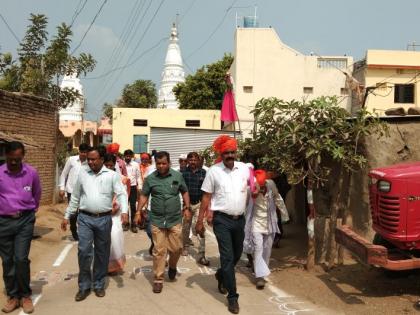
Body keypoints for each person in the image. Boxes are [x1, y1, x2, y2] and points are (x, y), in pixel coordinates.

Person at [61, 146, 128, 302]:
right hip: (85, 219)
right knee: (84, 251)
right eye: (88, 159)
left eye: (93, 159)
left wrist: (124, 212)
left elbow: (121, 194)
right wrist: (67, 215)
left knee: (102, 253)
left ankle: (98, 284)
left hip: (104, 219)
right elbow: (75, 198)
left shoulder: (112, 176)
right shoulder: (82, 174)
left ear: (102, 160)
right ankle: (84, 286)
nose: (90, 162)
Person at [196, 135, 250, 314]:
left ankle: (221, 275)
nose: (230, 155)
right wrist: (200, 220)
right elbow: (206, 196)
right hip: (222, 220)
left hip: (239, 219)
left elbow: (252, 189)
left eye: (232, 152)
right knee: (227, 257)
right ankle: (233, 297)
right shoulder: (214, 171)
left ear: (236, 152)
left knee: (236, 255)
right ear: (221, 153)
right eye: (226, 152)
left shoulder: (244, 169)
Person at [135, 151, 191, 294]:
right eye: (158, 163)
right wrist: (138, 211)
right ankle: (158, 279)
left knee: (177, 248)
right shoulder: (151, 178)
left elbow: (184, 191)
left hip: (174, 219)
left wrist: (187, 207)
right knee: (159, 250)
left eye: (163, 163)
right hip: (157, 220)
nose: (161, 166)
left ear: (169, 163)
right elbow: (144, 195)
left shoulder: (177, 176)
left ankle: (172, 266)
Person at [0, 141, 41, 314]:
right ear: (6, 156)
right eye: (11, 159)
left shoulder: (31, 173)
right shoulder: (0, 173)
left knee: (21, 259)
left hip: (25, 221)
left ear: (23, 156)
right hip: (3, 222)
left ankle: (25, 295)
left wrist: (30, 212)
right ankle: (13, 296)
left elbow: (37, 194)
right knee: (8, 260)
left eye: (18, 159)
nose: (14, 162)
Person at [243, 170, 288, 290]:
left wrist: (284, 214)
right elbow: (245, 205)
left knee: (267, 249)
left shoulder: (271, 184)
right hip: (255, 223)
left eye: (263, 187)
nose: (262, 189)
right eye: (259, 187)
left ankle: (261, 270)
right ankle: (260, 277)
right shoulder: (249, 190)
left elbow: (278, 198)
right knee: (258, 248)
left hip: (269, 222)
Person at [181, 152, 209, 265]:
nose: (192, 162)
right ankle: (185, 246)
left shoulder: (204, 173)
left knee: (200, 227)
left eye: (195, 160)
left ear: (198, 161)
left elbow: (207, 191)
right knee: (185, 227)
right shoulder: (183, 173)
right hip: (187, 204)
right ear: (187, 161)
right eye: (190, 160)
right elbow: (181, 190)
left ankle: (201, 253)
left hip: (199, 203)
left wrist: (206, 206)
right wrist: (184, 206)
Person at [103, 153, 130, 274]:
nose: (108, 167)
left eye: (111, 165)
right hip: (100, 213)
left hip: (114, 214)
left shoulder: (118, 177)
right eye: (106, 165)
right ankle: (102, 265)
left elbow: (122, 194)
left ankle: (114, 266)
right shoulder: (97, 176)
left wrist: (121, 209)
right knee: (101, 240)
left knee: (114, 238)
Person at [58, 143, 90, 241]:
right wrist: (62, 188)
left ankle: (83, 231)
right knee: (73, 212)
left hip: (84, 191)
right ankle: (73, 228)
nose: (83, 154)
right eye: (82, 152)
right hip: (71, 190)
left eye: (85, 152)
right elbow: (64, 174)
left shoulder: (89, 162)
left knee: (83, 212)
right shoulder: (71, 160)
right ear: (79, 151)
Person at [123, 149, 140, 233]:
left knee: (133, 206)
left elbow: (138, 176)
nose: (128, 157)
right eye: (126, 156)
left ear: (132, 157)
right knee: (125, 205)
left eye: (129, 156)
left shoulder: (136, 165)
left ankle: (133, 225)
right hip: (124, 188)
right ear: (124, 156)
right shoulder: (122, 164)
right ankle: (126, 223)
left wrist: (139, 186)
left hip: (133, 187)